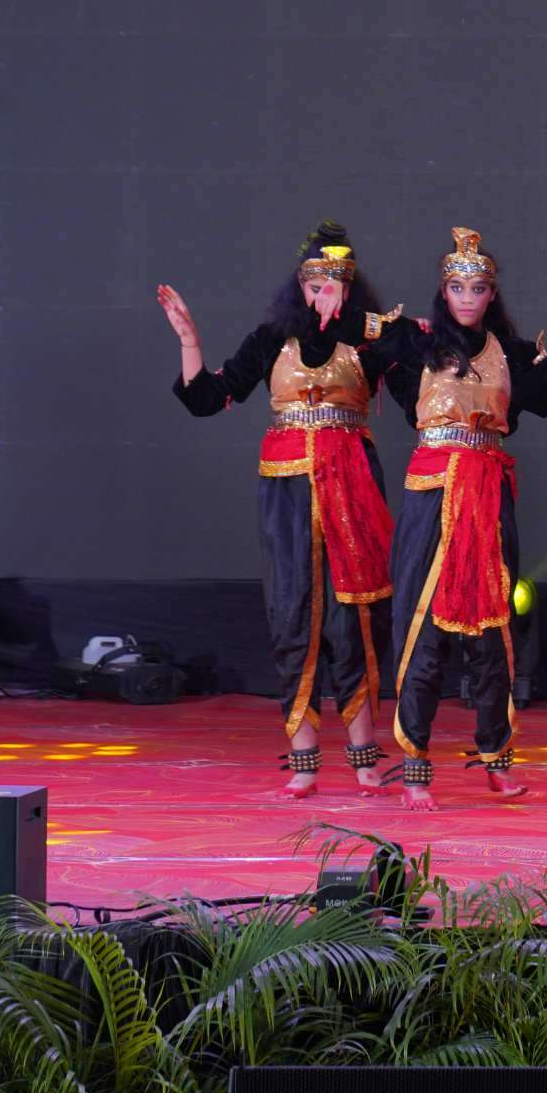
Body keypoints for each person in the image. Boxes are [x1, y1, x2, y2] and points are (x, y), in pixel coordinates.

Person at [159, 221, 401, 799]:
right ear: (299, 286)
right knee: (293, 613)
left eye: (336, 285)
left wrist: (359, 322)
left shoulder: (369, 340)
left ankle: (364, 754)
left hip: (352, 487)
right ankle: (303, 756)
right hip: (289, 491)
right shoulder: (272, 339)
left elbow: (418, 375)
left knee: (354, 616)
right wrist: (190, 341)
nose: (325, 295)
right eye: (315, 286)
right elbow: (207, 399)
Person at [378, 227, 547, 810]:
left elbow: (541, 398)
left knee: (492, 626)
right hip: (434, 494)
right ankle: (415, 764)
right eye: (458, 288)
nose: (468, 298)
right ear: (443, 292)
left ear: (492, 294)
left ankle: (496, 757)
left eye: (478, 288)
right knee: (423, 623)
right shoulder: (418, 345)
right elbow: (365, 348)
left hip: (488, 496)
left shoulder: (508, 351)